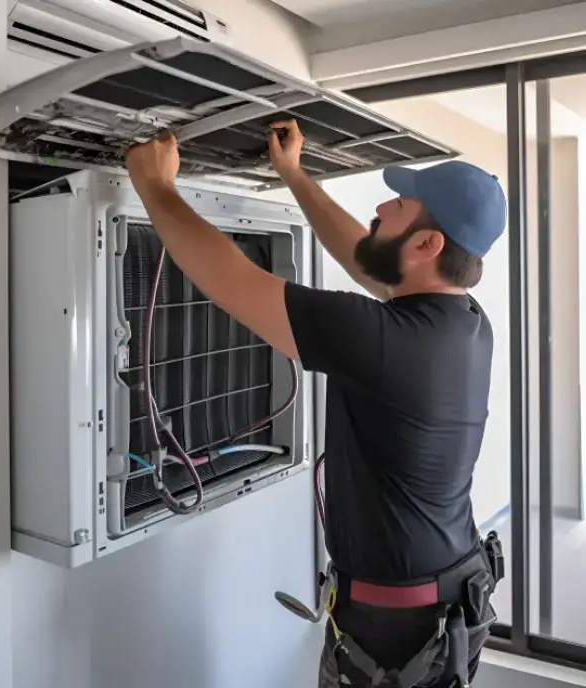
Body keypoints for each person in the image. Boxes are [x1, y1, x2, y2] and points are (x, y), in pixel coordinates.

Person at [125, 119, 507, 687]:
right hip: (438, 606)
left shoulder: (384, 338)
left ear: (428, 245)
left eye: (399, 206)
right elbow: (364, 256)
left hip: (394, 639)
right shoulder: (465, 322)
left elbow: (232, 281)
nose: (381, 208)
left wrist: (156, 188)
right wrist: (294, 175)